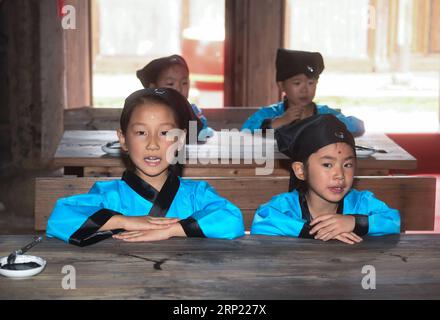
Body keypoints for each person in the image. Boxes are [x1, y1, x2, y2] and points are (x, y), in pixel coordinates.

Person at [46, 88, 244, 246]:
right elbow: (60, 216)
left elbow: (232, 218)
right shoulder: (109, 195)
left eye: (165, 132)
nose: (153, 144)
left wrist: (169, 231)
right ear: (123, 139)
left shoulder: (196, 194)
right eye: (141, 132)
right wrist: (124, 221)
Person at [251, 114, 400, 244]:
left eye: (347, 164)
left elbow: (393, 221)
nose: (340, 174)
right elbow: (262, 223)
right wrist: (316, 231)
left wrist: (355, 222)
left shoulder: (361, 203)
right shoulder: (284, 207)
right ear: (301, 170)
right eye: (328, 165)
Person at [241, 49, 365, 137]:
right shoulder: (271, 113)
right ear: (281, 85)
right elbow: (245, 130)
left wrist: (328, 123)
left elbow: (358, 126)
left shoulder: (324, 113)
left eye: (311, 83)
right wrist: (279, 122)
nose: (304, 89)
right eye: (297, 83)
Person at [136, 54, 214, 141]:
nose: (179, 89)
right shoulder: (146, 113)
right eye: (170, 84)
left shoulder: (191, 111)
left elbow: (199, 132)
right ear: (153, 88)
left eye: (184, 83)